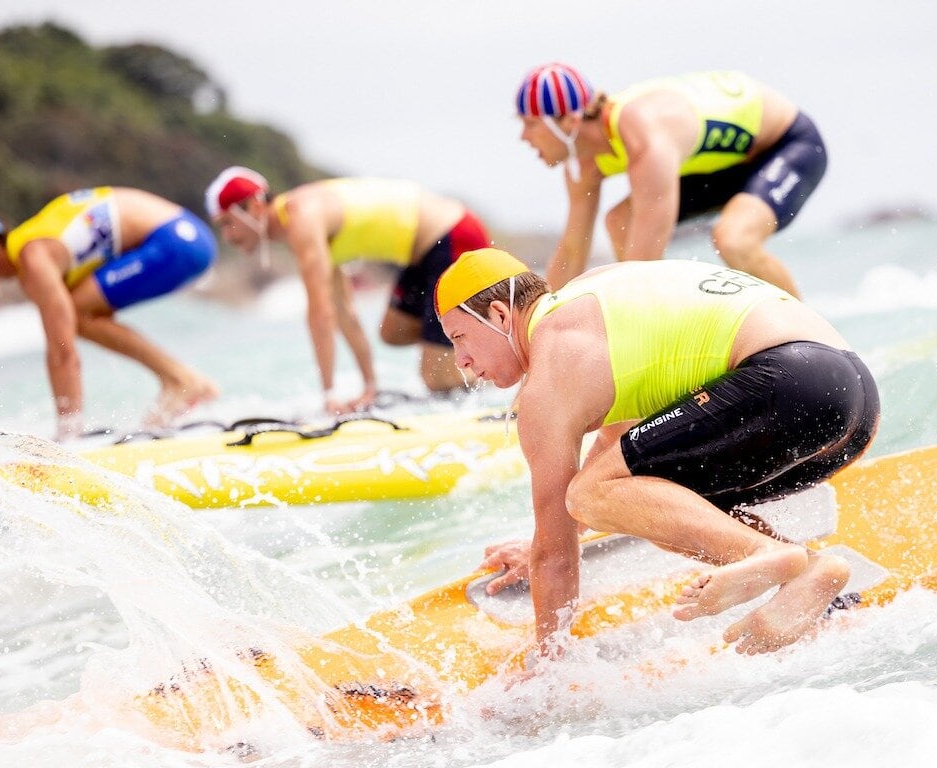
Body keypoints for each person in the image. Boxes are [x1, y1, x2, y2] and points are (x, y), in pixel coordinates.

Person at [436, 248, 879, 659]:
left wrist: (546, 671)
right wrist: (545, 540)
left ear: (498, 313)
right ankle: (810, 574)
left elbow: (558, 550)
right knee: (653, 507)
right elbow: (627, 461)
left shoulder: (554, 364)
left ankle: (772, 559)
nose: (461, 362)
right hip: (852, 402)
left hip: (786, 381)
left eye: (460, 337)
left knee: (588, 494)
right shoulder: (591, 303)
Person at [515, 63, 827, 297]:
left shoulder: (646, 137)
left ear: (569, 121)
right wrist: (539, 332)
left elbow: (642, 270)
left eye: (530, 124)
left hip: (786, 145)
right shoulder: (582, 164)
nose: (523, 137)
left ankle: (811, 344)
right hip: (719, 162)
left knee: (733, 239)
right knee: (620, 222)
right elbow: (571, 251)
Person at [205, 167, 491, 413]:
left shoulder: (302, 218)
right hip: (426, 253)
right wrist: (369, 387)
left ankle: (493, 385)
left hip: (453, 235)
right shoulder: (305, 223)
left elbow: (321, 314)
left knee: (435, 376)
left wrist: (328, 396)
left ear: (255, 206)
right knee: (393, 333)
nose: (227, 237)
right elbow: (344, 312)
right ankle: (466, 360)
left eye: (228, 223)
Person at [0, 188, 219, 441]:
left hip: (176, 241)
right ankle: (181, 383)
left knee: (73, 317)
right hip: (186, 235)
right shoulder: (35, 245)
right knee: (82, 315)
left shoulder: (33, 258)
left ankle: (183, 382)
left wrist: (66, 440)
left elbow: (62, 354)